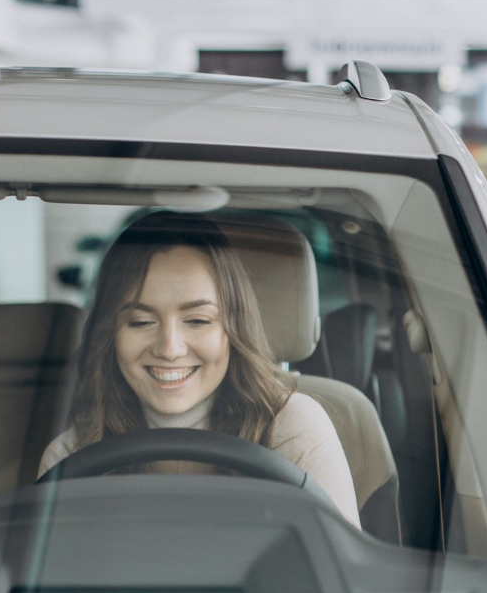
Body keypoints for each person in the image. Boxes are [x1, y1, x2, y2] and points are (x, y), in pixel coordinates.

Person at [39, 211, 361, 527]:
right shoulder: (70, 457)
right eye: (141, 322)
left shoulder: (292, 428)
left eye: (197, 321)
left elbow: (341, 574)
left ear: (234, 329)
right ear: (110, 333)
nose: (170, 348)